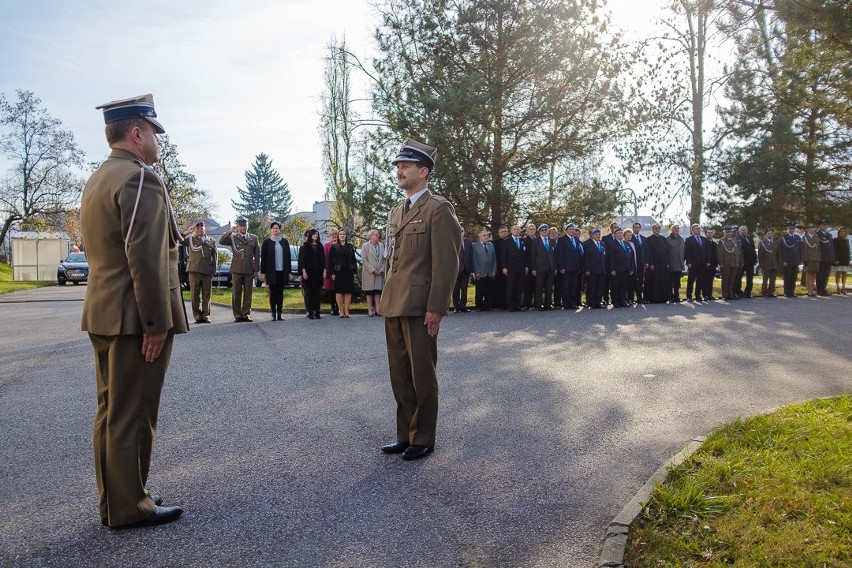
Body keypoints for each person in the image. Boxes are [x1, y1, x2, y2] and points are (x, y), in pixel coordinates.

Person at [80, 93, 185, 528]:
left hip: (106, 312)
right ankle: (129, 507)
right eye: (154, 133)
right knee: (134, 413)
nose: (158, 141)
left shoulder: (99, 178)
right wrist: (155, 324)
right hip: (134, 318)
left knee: (110, 412)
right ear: (137, 134)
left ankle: (121, 495)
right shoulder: (140, 179)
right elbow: (144, 258)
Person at [379, 138, 460, 461]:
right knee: (399, 373)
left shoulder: (438, 209)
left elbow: (446, 262)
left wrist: (436, 307)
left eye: (405, 166)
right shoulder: (398, 210)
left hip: (419, 304)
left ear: (423, 172)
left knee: (422, 374)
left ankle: (423, 437)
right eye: (398, 166)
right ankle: (405, 434)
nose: (399, 170)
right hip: (393, 301)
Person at [219, 217, 260, 322]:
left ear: (247, 226)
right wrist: (229, 231)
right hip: (237, 269)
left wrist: (256, 269)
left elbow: (257, 253)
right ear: (238, 227)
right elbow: (222, 241)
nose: (243, 227)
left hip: (248, 269)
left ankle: (246, 314)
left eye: (245, 225)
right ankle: (237, 314)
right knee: (236, 293)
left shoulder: (253, 238)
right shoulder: (233, 237)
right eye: (241, 226)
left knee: (248, 293)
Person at [182, 220, 217, 323]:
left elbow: (215, 256)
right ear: (195, 230)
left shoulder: (211, 240)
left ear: (204, 229)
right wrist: (188, 232)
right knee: (195, 294)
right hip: (194, 270)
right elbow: (178, 239)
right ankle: (197, 315)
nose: (199, 230)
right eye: (197, 228)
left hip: (207, 270)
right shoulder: (190, 239)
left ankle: (206, 315)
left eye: (201, 228)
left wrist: (213, 270)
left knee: (207, 294)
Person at [259, 221, 291, 321]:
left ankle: (280, 313)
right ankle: (273, 313)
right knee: (273, 293)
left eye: (277, 228)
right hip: (271, 272)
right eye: (273, 228)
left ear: (279, 230)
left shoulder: (285, 242)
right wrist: (263, 272)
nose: (275, 230)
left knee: (280, 292)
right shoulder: (266, 242)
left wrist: (289, 272)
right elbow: (263, 258)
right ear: (271, 230)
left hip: (282, 271)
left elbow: (288, 258)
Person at [327, 229, 357, 318]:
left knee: (348, 291)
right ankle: (341, 311)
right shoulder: (334, 246)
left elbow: (353, 260)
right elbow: (329, 261)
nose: (342, 235)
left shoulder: (350, 246)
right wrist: (332, 273)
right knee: (339, 291)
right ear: (338, 236)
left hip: (349, 272)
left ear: (346, 236)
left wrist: (354, 271)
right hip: (338, 272)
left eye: (344, 234)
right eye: (340, 234)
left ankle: (347, 310)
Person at [298, 228, 326, 319]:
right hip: (308, 273)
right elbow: (301, 260)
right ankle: (310, 312)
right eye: (314, 234)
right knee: (309, 293)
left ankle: (317, 312)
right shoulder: (305, 246)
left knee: (317, 293)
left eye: (317, 234)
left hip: (318, 272)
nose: (315, 236)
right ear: (310, 235)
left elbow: (323, 260)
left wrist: (324, 271)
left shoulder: (320, 246)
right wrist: (303, 272)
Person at [556, 222, 583, 310]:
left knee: (573, 286)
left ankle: (573, 303)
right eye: (570, 229)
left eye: (573, 229)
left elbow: (578, 254)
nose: (572, 231)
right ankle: (566, 303)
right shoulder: (562, 240)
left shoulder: (576, 239)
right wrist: (562, 267)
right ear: (566, 230)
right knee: (565, 286)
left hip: (575, 267)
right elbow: (560, 255)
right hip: (566, 268)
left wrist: (579, 267)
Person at [606, 227, 635, 307]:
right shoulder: (612, 244)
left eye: (621, 233)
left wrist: (631, 268)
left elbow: (630, 257)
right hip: (617, 269)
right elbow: (610, 258)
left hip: (626, 269)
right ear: (615, 235)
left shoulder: (626, 244)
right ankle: (615, 301)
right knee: (615, 286)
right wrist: (612, 269)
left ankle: (622, 301)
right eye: (618, 233)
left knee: (623, 286)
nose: (620, 235)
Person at [501, 224, 528, 311]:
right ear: (511, 231)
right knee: (510, 287)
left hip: (521, 268)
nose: (516, 230)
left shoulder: (523, 241)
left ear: (520, 231)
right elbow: (503, 256)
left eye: (518, 229)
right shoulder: (507, 241)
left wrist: (526, 266)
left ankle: (518, 304)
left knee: (520, 287)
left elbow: (526, 255)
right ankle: (511, 305)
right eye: (515, 229)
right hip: (510, 268)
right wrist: (504, 267)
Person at [531, 223, 556, 310]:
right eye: (542, 230)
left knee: (549, 287)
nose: (544, 231)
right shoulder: (535, 241)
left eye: (546, 230)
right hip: (539, 268)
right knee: (539, 287)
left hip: (550, 268)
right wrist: (533, 268)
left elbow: (554, 255)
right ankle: (538, 304)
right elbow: (533, 256)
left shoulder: (552, 241)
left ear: (548, 231)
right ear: (539, 232)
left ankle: (548, 304)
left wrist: (555, 267)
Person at [361, 229, 386, 317]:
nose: (377, 236)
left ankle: (378, 309)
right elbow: (364, 260)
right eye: (375, 235)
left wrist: (382, 269)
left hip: (380, 272)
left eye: (378, 234)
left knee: (378, 291)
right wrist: (373, 270)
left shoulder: (382, 245)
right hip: (369, 272)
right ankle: (370, 309)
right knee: (369, 291)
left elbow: (384, 259)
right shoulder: (365, 246)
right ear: (370, 236)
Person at [643, 223, 670, 303]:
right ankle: (652, 298)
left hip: (663, 264)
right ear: (652, 229)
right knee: (653, 281)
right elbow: (648, 252)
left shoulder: (663, 239)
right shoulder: (649, 239)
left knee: (663, 281)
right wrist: (650, 263)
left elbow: (667, 252)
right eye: (655, 228)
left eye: (658, 228)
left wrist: (667, 262)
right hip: (653, 264)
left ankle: (663, 298)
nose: (657, 229)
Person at [471, 229, 497, 311]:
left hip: (490, 271)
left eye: (487, 235)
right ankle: (478, 306)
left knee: (489, 290)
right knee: (480, 290)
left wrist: (494, 270)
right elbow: (474, 259)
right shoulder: (475, 245)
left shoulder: (491, 245)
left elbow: (494, 259)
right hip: (480, 271)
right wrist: (476, 271)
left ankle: (487, 305)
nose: (486, 237)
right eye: (484, 235)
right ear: (479, 237)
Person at [684, 223, 709, 301]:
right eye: (696, 228)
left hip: (702, 263)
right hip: (693, 263)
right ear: (692, 230)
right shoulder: (688, 240)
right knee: (691, 280)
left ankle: (698, 295)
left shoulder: (704, 239)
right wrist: (688, 262)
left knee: (700, 280)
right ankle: (689, 296)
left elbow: (707, 251)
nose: (698, 230)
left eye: (699, 228)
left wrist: (707, 261)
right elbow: (687, 252)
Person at [452, 226, 473, 313]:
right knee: (456, 288)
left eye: (462, 231)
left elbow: (471, 256)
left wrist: (472, 269)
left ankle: (463, 306)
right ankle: (456, 306)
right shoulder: (452, 242)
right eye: (458, 230)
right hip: (456, 269)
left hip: (466, 269)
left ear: (464, 232)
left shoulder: (468, 243)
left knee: (465, 288)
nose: (460, 232)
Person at [583, 228, 606, 308]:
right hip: (592, 270)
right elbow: (586, 258)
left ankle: (598, 302)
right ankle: (591, 302)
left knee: (600, 287)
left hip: (602, 269)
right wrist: (587, 269)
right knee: (592, 287)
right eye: (596, 234)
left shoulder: (603, 244)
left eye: (599, 234)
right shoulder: (588, 245)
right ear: (592, 235)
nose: (598, 236)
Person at [718, 226, 743, 300]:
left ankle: (731, 294)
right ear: (724, 233)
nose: (728, 233)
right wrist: (721, 263)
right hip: (726, 263)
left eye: (729, 232)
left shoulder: (734, 240)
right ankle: (725, 295)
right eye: (727, 232)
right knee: (725, 280)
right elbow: (720, 253)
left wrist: (739, 261)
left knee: (732, 280)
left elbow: (738, 252)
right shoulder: (722, 241)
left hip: (735, 263)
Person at [780, 222, 802, 297]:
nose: (792, 229)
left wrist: (800, 259)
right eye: (790, 228)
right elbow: (782, 250)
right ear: (787, 229)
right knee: (787, 277)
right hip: (788, 261)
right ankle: (786, 292)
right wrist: (784, 260)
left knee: (794, 277)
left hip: (796, 260)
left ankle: (792, 291)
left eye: (793, 228)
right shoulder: (784, 238)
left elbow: (800, 249)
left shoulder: (797, 237)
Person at [757, 228, 780, 297]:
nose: (770, 234)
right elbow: (760, 256)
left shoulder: (776, 243)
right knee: (765, 279)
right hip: (766, 264)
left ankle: (771, 292)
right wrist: (761, 265)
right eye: (768, 233)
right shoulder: (762, 243)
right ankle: (764, 292)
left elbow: (778, 255)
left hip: (774, 264)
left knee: (773, 280)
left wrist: (778, 264)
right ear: (765, 235)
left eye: (771, 233)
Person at [736, 225, 757, 298]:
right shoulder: (737, 239)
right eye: (742, 230)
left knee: (750, 278)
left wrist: (755, 259)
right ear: (739, 231)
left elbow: (753, 249)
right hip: (742, 262)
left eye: (745, 230)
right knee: (739, 278)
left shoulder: (750, 238)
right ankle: (738, 292)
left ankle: (748, 292)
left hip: (750, 262)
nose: (744, 231)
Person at [491, 226, 509, 309]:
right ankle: (498, 304)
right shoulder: (494, 243)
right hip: (498, 268)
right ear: (498, 233)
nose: (504, 233)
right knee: (498, 287)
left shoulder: (511, 241)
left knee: (508, 286)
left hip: (509, 268)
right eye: (502, 231)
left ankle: (508, 303)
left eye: (505, 231)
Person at [801, 223, 821, 297]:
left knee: (814, 275)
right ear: (807, 229)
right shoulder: (804, 237)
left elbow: (819, 249)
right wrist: (804, 259)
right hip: (808, 258)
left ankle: (812, 290)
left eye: (813, 228)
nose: (812, 229)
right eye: (810, 228)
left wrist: (819, 257)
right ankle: (809, 291)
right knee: (808, 274)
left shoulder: (816, 237)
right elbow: (803, 250)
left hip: (816, 258)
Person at [816, 221, 836, 295]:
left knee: (826, 275)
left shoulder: (829, 235)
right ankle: (819, 290)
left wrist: (833, 257)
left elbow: (832, 248)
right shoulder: (817, 235)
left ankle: (823, 289)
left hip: (829, 258)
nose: (824, 226)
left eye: (825, 225)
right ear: (819, 226)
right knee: (820, 275)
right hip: (821, 258)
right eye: (822, 225)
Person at [667, 224, 686, 302]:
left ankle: (676, 297)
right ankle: (670, 297)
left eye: (678, 228)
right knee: (670, 282)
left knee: (677, 282)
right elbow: (666, 253)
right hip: (671, 264)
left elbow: (684, 251)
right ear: (672, 230)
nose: (676, 230)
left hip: (679, 264)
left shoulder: (681, 239)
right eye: (675, 228)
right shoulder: (667, 239)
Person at [630, 222, 647, 303]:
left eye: (638, 227)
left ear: (640, 228)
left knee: (640, 281)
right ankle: (631, 299)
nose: (636, 229)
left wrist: (646, 262)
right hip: (633, 263)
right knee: (632, 281)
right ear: (633, 229)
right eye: (635, 227)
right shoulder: (630, 238)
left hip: (641, 264)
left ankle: (640, 298)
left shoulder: (644, 239)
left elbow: (646, 251)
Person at [323, 231, 339, 315]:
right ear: (330, 235)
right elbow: (325, 258)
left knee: (339, 289)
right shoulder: (326, 245)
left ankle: (339, 306)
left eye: (335, 234)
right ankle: (333, 307)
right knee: (331, 290)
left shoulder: (340, 244)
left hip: (339, 270)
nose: (334, 236)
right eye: (332, 234)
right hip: (329, 270)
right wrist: (325, 270)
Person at [522, 223, 537, 309]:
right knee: (528, 286)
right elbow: (523, 255)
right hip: (528, 267)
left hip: (537, 267)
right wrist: (526, 266)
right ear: (527, 231)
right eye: (530, 229)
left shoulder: (538, 240)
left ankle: (536, 303)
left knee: (537, 286)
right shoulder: (523, 241)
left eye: (533, 229)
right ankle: (526, 304)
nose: (531, 231)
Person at [623, 228, 639, 305]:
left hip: (633, 267)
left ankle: (630, 299)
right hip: (626, 268)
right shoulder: (622, 244)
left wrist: (633, 268)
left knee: (631, 285)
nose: (629, 237)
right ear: (624, 236)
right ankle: (624, 300)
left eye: (630, 235)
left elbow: (634, 257)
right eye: (627, 235)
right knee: (625, 285)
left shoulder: (632, 244)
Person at [702, 228, 718, 300]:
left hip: (713, 264)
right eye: (708, 233)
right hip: (705, 264)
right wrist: (706, 262)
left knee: (711, 280)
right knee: (705, 280)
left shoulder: (714, 243)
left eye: (711, 233)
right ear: (705, 234)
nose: (710, 234)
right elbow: (703, 254)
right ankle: (705, 295)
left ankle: (710, 294)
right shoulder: (703, 242)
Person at [833, 227, 849, 295]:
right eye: (841, 231)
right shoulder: (835, 240)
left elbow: (848, 250)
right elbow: (834, 250)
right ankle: (838, 287)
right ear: (839, 233)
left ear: (845, 233)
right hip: (838, 259)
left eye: (844, 231)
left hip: (845, 259)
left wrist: (849, 260)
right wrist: (836, 259)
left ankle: (843, 287)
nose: (842, 232)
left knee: (844, 273)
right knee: (838, 273)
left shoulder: (846, 240)